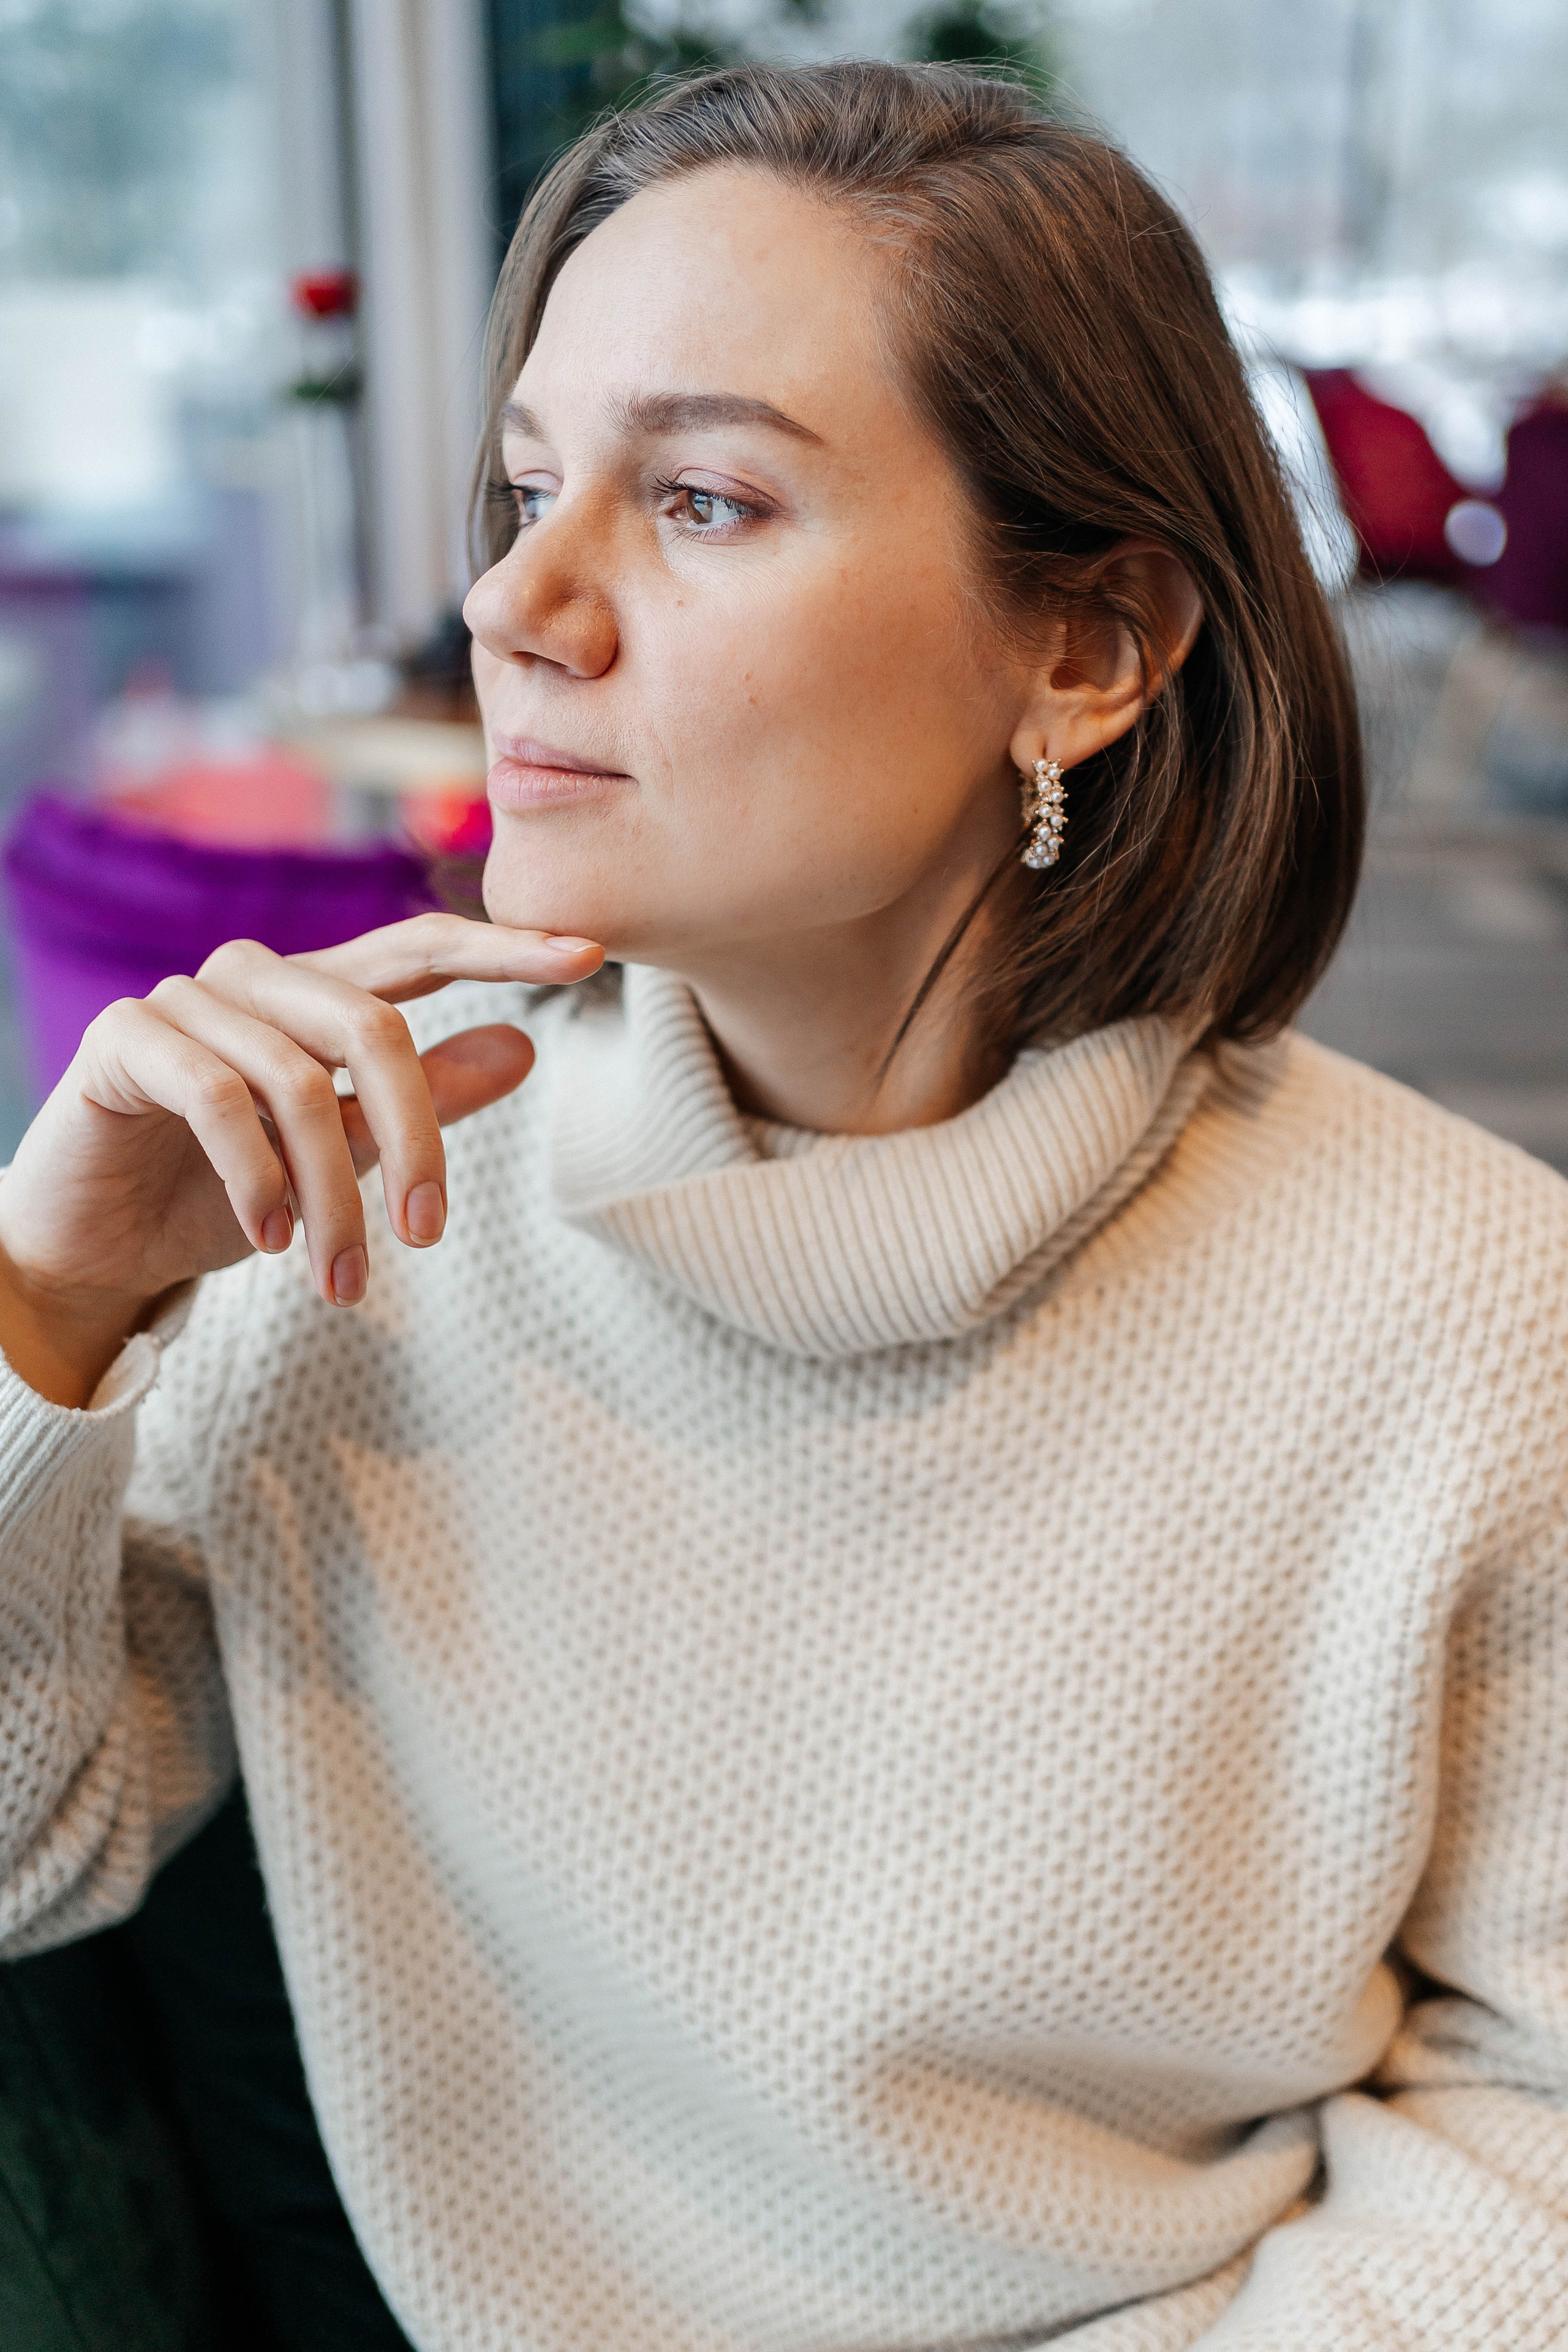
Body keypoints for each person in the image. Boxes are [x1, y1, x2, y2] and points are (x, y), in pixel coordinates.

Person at [1, 60, 1564, 2352]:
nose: (515, 601)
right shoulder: (370, 1214)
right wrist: (41, 1301)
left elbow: (1537, 2120)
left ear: (1092, 648)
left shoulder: (1477, 1318)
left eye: (706, 499)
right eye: (529, 482)